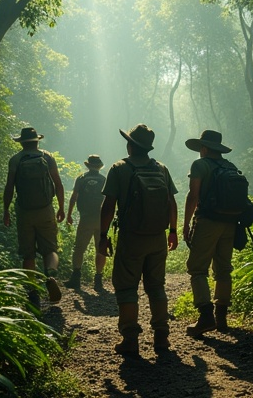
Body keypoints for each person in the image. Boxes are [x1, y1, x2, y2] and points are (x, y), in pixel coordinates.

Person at [98, 124, 178, 355]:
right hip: (158, 238)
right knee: (156, 286)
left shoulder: (119, 168)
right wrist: (173, 231)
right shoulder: (161, 168)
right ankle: (161, 337)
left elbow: (108, 206)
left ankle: (130, 339)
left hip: (131, 238)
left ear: (130, 144)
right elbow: (171, 203)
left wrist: (103, 237)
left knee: (126, 288)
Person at [3, 127, 65, 308]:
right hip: (45, 210)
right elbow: (58, 184)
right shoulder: (47, 157)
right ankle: (51, 275)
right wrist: (61, 207)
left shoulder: (15, 160)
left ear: (21, 142)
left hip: (24, 212)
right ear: (37, 141)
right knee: (51, 249)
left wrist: (6, 210)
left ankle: (31, 291)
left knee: (28, 253)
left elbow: (9, 187)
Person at [183, 130, 237, 336]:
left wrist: (186, 224)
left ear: (204, 148)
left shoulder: (200, 165)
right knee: (223, 269)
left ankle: (206, 317)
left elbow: (193, 195)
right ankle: (222, 318)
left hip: (207, 222)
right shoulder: (230, 166)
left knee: (197, 269)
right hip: (230, 223)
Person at [65, 154, 107, 291]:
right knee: (100, 248)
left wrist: (69, 214)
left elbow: (74, 197)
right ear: (99, 167)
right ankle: (98, 279)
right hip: (101, 218)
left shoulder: (82, 178)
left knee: (79, 248)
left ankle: (76, 277)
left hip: (86, 218)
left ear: (88, 165)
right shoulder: (103, 179)